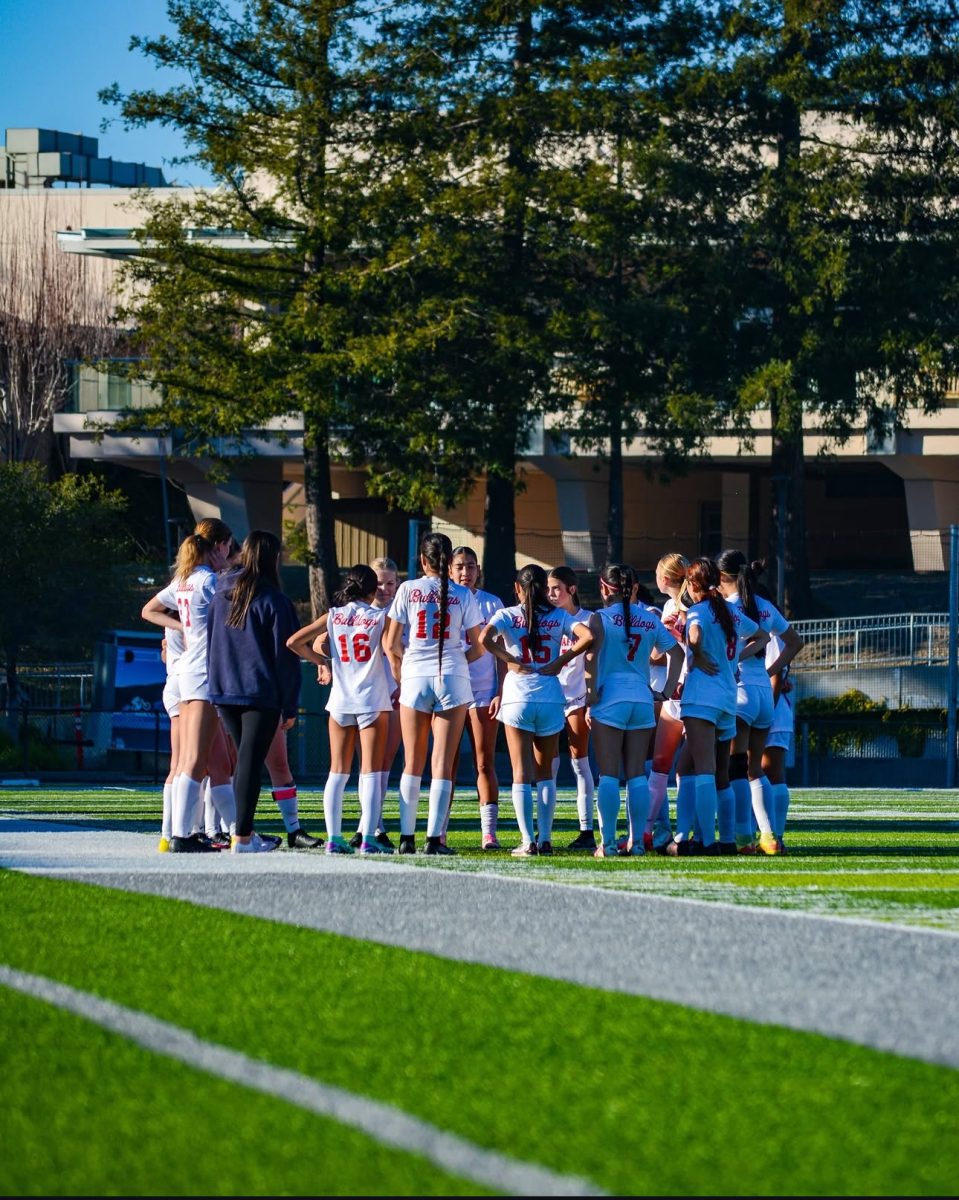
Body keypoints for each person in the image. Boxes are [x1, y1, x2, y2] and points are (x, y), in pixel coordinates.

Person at [479, 564, 593, 857]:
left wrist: (509, 659)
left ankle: (527, 841)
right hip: (550, 695)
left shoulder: (507, 615)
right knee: (545, 773)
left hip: (518, 695)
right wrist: (561, 660)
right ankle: (545, 840)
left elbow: (484, 639)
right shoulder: (558, 615)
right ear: (544, 589)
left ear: (517, 588)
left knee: (520, 773)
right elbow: (588, 637)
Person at [384, 531, 484, 855]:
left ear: (423, 561)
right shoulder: (463, 594)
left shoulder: (407, 589)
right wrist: (458, 662)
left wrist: (402, 674)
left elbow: (390, 643)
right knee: (442, 762)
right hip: (452, 676)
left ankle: (406, 838)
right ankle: (433, 840)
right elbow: (479, 644)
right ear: (448, 560)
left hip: (415, 675)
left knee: (412, 761)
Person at [142, 518, 236, 853]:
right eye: (228, 546)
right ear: (218, 546)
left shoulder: (182, 580)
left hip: (184, 675)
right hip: (203, 674)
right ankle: (182, 835)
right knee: (197, 761)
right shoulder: (209, 580)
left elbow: (148, 610)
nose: (229, 553)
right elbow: (231, 624)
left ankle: (230, 832)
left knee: (204, 761)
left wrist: (181, 626)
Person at [288, 564, 394, 854]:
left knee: (337, 772)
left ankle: (334, 838)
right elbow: (394, 649)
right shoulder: (380, 617)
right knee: (370, 772)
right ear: (373, 590)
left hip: (341, 700)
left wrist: (321, 662)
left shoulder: (334, 615)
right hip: (372, 699)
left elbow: (294, 642)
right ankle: (368, 839)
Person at [207, 530, 301, 853]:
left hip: (224, 688)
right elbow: (285, 657)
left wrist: (215, 684)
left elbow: (212, 643)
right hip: (259, 692)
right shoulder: (274, 600)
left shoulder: (222, 593)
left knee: (245, 760)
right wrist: (290, 704)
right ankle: (243, 837)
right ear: (273, 559)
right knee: (249, 761)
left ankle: (242, 832)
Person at [667, 556, 767, 856]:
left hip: (702, 699)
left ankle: (705, 841)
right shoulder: (733, 611)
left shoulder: (697, 610)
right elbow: (761, 636)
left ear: (694, 585)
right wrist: (734, 659)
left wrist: (696, 651)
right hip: (727, 698)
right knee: (717, 772)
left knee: (705, 770)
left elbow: (695, 634)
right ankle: (723, 839)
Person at [585, 563, 685, 858]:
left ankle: (609, 844)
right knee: (637, 775)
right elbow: (676, 653)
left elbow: (591, 658)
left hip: (610, 698)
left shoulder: (599, 618)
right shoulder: (650, 618)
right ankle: (638, 842)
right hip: (642, 698)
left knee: (608, 775)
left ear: (604, 588)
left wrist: (590, 695)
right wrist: (666, 692)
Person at [715, 550, 804, 855]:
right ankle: (770, 836)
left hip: (738, 690)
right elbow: (796, 642)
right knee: (756, 769)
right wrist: (770, 672)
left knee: (735, 768)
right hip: (763, 695)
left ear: (721, 577)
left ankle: (742, 837)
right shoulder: (764, 605)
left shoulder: (725, 608)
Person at [449, 545, 506, 849]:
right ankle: (439, 830)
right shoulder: (441, 600)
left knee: (484, 763)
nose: (465, 572)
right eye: (459, 566)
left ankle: (489, 832)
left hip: (483, 692)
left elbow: (501, 654)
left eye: (470, 566)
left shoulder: (491, 604)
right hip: (450, 691)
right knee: (447, 764)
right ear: (449, 569)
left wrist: (500, 690)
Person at [547, 566, 597, 851]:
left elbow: (592, 660)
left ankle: (586, 830)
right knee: (548, 766)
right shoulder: (548, 618)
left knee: (581, 763)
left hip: (577, 697)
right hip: (551, 697)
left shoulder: (588, 620)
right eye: (548, 589)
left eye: (557, 588)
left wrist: (590, 698)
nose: (551, 594)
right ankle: (545, 829)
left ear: (572, 590)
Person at [647, 553, 691, 848]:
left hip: (688, 691)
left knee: (673, 766)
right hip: (686, 691)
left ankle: (653, 832)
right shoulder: (674, 606)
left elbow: (657, 653)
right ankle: (663, 832)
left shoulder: (685, 607)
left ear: (664, 579)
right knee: (670, 765)